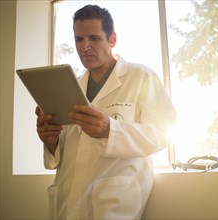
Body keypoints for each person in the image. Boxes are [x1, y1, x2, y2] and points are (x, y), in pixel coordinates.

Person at [35, 4, 176, 219]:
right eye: (79, 39)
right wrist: (51, 142)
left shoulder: (141, 77)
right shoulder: (71, 86)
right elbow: (69, 151)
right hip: (67, 203)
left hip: (113, 204)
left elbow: (163, 133)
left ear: (112, 40)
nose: (85, 47)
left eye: (94, 38)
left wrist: (111, 129)